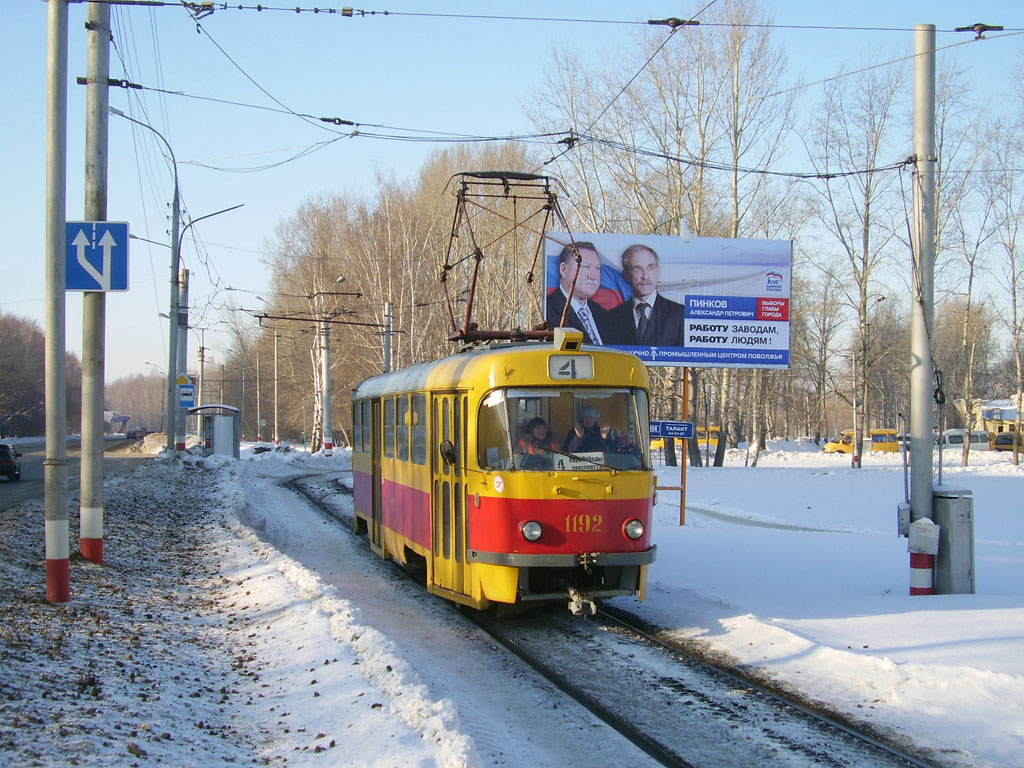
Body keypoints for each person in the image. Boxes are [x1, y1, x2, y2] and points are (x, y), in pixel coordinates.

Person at [606, 243, 686, 347]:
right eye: (637, 269)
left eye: (650, 267)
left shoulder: (680, 313)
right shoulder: (612, 317)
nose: (645, 276)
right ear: (626, 275)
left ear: (658, 270)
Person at [545, 241, 612, 345]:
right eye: (586, 267)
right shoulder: (548, 309)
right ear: (563, 269)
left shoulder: (603, 314)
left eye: (597, 268)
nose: (593, 276)